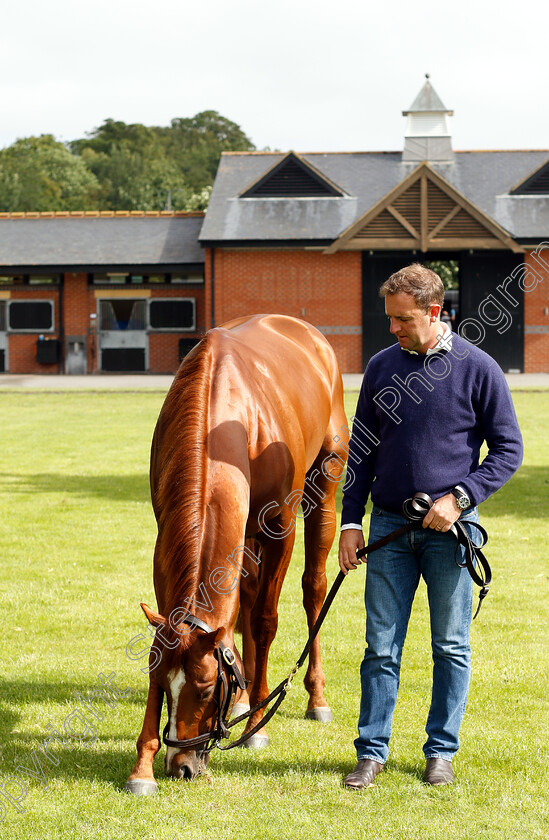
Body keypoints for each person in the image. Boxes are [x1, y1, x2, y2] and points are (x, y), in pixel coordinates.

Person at [338, 263, 523, 789]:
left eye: (402, 319)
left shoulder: (478, 367)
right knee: (380, 647)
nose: (392, 328)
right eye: (389, 318)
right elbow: (361, 452)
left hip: (452, 532)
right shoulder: (380, 368)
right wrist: (352, 522)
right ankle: (371, 753)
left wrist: (461, 498)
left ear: (434, 312)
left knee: (451, 645)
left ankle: (440, 752)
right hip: (389, 530)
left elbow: (509, 451)